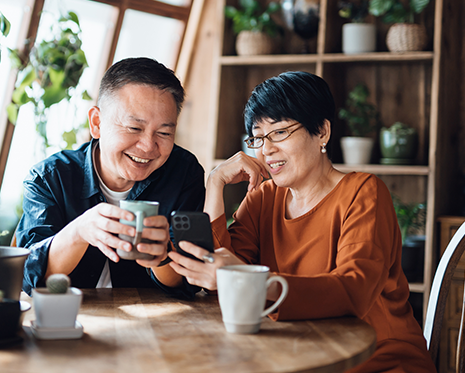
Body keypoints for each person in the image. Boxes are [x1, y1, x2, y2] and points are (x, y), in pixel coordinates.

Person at [168, 71, 436, 373]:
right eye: (258, 137)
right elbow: (217, 281)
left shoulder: (364, 193)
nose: (266, 149)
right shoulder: (263, 197)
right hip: (297, 354)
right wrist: (215, 182)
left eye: (280, 132)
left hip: (375, 359)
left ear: (322, 132)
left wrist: (246, 278)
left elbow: (353, 292)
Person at [16, 57, 205, 296]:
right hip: (70, 317)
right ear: (97, 123)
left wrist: (162, 258)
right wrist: (79, 231)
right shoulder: (50, 179)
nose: (148, 146)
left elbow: (190, 283)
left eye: (164, 132)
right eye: (134, 128)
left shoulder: (184, 173)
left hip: (155, 324)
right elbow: (30, 278)